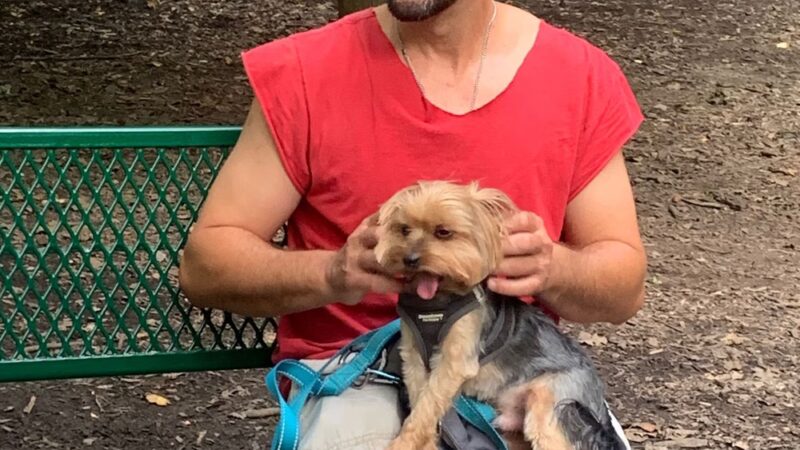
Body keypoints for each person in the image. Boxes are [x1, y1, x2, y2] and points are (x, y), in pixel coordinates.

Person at [179, 0, 647, 448]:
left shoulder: (579, 77)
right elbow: (205, 269)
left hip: (511, 370)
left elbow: (623, 290)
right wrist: (331, 273)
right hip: (360, 372)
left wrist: (555, 268)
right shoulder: (304, 71)